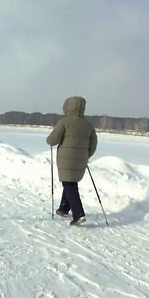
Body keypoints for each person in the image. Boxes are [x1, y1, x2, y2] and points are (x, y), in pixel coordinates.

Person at [46, 96, 97, 226]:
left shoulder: (64, 122)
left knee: (69, 185)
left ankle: (79, 215)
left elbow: (52, 140)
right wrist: (85, 156)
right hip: (81, 160)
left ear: (67, 107)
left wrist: (49, 139)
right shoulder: (88, 125)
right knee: (70, 182)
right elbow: (93, 145)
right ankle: (63, 208)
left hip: (65, 159)